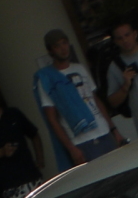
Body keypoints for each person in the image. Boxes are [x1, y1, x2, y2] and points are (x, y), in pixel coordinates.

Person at [35, 28, 125, 170]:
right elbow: (52, 119)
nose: (63, 48)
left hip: (103, 131)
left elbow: (95, 99)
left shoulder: (80, 68)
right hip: (81, 140)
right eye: (57, 46)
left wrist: (114, 129)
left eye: (64, 43)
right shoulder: (47, 78)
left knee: (121, 171)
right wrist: (71, 148)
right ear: (50, 51)